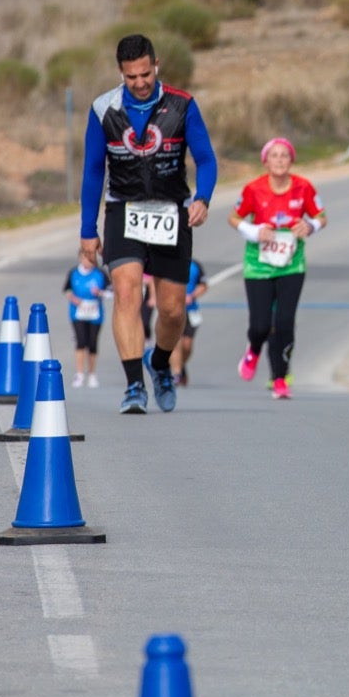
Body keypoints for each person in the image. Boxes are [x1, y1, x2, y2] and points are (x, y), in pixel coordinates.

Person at [79, 33, 217, 415]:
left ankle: (159, 365)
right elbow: (93, 172)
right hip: (123, 209)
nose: (139, 83)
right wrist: (87, 230)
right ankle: (134, 385)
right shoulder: (103, 108)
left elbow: (205, 159)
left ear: (156, 66)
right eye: (130, 77)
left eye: (145, 74)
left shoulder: (182, 104)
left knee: (172, 311)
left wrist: (202, 199)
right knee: (127, 294)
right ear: (120, 74)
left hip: (172, 212)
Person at [230, 138, 327, 401]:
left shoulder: (303, 187)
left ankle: (280, 377)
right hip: (259, 265)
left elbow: (321, 216)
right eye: (275, 155)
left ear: (291, 160)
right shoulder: (254, 189)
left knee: (284, 322)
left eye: (285, 155)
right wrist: (254, 231)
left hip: (291, 265)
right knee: (261, 325)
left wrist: (310, 227)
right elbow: (234, 217)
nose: (280, 160)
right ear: (266, 161)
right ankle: (253, 350)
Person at [63, 258, 111, 389]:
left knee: (92, 343)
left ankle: (92, 373)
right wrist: (73, 298)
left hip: (95, 313)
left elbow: (110, 291)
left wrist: (100, 293)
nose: (87, 262)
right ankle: (79, 373)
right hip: (78, 312)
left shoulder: (100, 273)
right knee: (80, 341)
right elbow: (66, 290)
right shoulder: (74, 272)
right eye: (84, 258)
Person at [171, 260, 207, 387]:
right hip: (174, 309)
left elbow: (203, 285)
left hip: (191, 311)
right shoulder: (169, 262)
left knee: (187, 345)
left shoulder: (196, 265)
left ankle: (180, 365)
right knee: (176, 344)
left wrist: (192, 296)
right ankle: (176, 373)